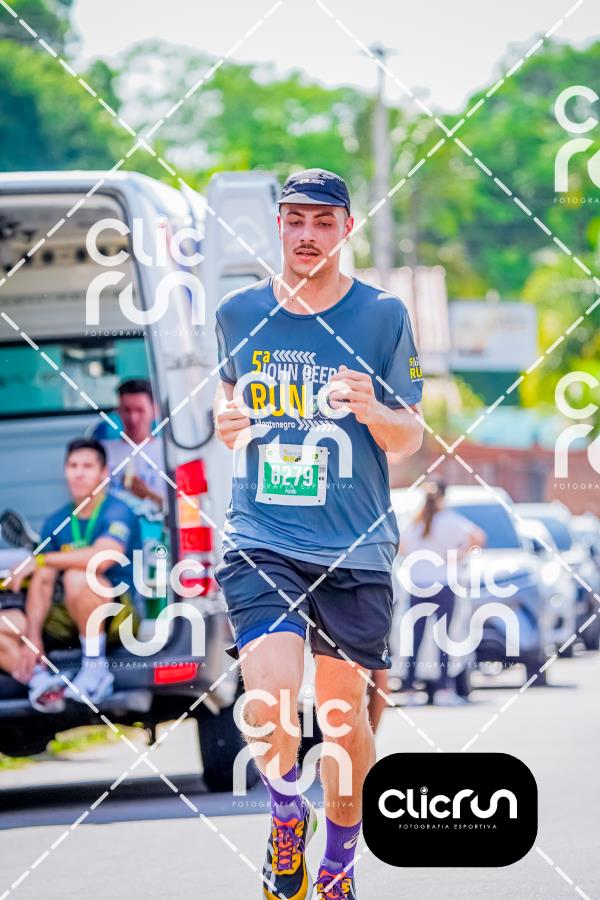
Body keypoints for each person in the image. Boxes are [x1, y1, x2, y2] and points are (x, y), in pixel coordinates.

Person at [213, 168, 424, 900]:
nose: (308, 235)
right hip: (262, 534)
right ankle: (284, 813)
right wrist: (225, 421)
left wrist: (374, 411)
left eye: (323, 221)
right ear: (278, 224)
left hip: (355, 544)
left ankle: (337, 862)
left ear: (346, 229)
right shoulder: (239, 313)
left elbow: (409, 435)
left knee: (341, 720)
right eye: (296, 219)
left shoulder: (382, 315)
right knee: (267, 701)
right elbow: (229, 405)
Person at [0, 439, 142, 709]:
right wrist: (33, 637)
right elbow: (42, 580)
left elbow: (103, 557)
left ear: (103, 473)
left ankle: (95, 671)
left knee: (78, 576)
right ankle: (41, 682)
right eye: (73, 466)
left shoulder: (118, 511)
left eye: (87, 466)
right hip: (67, 614)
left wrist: (40, 559)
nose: (79, 473)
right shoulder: (56, 521)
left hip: (115, 615)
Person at [399, 479, 486, 707]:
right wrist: (461, 553)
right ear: (444, 497)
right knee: (443, 639)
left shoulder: (413, 522)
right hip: (444, 585)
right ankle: (444, 689)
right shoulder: (451, 521)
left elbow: (401, 547)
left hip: (418, 585)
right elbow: (479, 537)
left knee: (415, 639)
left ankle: (410, 690)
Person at [101, 378, 166, 517]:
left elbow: (180, 508)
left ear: (154, 411)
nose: (133, 418)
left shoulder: (166, 452)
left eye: (140, 410)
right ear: (118, 411)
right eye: (127, 410)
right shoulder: (102, 452)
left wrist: (147, 494)